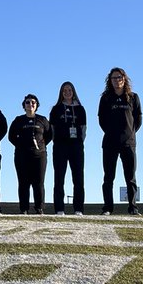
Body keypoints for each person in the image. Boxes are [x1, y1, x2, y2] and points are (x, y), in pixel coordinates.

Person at [98, 67, 142, 215]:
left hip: (128, 143)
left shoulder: (133, 97)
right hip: (110, 142)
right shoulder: (105, 98)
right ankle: (108, 208)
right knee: (108, 177)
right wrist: (112, 133)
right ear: (110, 81)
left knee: (130, 177)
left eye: (119, 77)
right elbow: (102, 120)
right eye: (114, 78)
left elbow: (138, 120)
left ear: (124, 79)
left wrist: (129, 133)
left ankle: (133, 207)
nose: (117, 81)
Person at [8, 94, 52, 214]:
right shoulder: (18, 120)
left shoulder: (42, 120)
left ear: (37, 105)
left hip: (39, 155)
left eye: (33, 102)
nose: (30, 104)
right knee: (23, 183)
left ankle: (39, 208)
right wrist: (21, 145)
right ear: (24, 105)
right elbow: (11, 137)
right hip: (22, 156)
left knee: (39, 183)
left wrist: (41, 145)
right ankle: (24, 209)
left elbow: (49, 135)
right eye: (27, 102)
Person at [49, 81, 87, 215]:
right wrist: (57, 140)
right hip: (60, 146)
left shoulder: (81, 109)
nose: (67, 92)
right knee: (59, 178)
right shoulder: (56, 109)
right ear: (61, 92)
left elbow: (83, 129)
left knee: (78, 178)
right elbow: (51, 128)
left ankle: (78, 209)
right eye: (64, 90)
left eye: (70, 90)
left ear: (74, 92)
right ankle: (59, 208)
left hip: (76, 146)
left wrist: (78, 142)